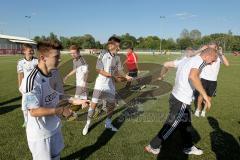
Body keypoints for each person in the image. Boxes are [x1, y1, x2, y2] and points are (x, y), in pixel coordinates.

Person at [20, 40, 88, 160]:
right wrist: (60, 111)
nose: (60, 59)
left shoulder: (54, 73)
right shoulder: (31, 80)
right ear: (43, 57)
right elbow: (33, 111)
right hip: (40, 134)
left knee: (56, 157)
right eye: (56, 57)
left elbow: (59, 95)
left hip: (55, 128)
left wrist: (75, 100)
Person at [144, 48, 218, 156]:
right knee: (172, 124)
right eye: (213, 60)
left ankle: (188, 147)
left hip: (176, 97)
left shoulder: (187, 59)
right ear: (208, 56)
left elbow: (166, 64)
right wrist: (205, 96)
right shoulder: (200, 62)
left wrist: (162, 75)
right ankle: (153, 146)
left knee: (186, 124)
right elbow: (193, 76)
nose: (212, 63)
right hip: (181, 100)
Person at [82, 36, 132, 135]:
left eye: (119, 46)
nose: (119, 48)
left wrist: (126, 76)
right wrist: (113, 75)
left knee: (111, 105)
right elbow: (99, 69)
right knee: (94, 104)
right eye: (117, 46)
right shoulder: (103, 54)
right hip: (100, 84)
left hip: (111, 85)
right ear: (110, 46)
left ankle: (108, 123)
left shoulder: (117, 58)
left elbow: (120, 70)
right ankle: (87, 123)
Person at [195, 44, 229, 117]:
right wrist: (201, 49)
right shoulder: (204, 54)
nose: (211, 49)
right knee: (200, 95)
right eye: (210, 47)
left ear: (216, 48)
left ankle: (204, 110)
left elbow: (227, 64)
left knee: (209, 97)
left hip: (213, 81)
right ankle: (198, 109)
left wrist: (221, 54)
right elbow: (193, 56)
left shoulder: (219, 56)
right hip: (203, 78)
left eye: (213, 48)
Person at [17, 43, 38, 127]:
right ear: (24, 52)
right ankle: (26, 121)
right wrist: (20, 87)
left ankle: (36, 120)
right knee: (25, 105)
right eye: (29, 51)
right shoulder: (21, 62)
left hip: (36, 86)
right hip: (25, 87)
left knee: (36, 104)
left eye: (32, 50)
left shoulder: (36, 61)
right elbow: (20, 75)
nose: (31, 52)